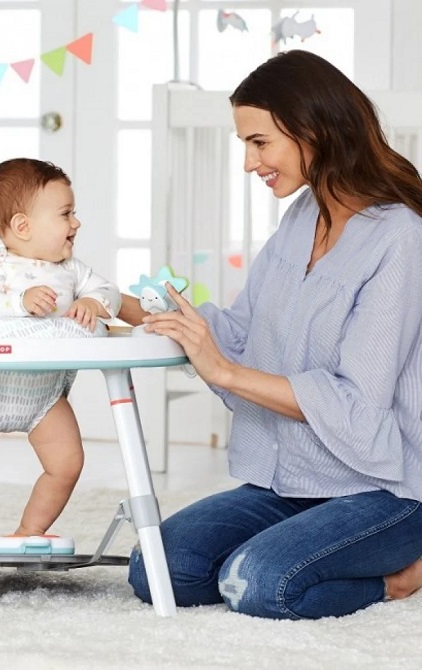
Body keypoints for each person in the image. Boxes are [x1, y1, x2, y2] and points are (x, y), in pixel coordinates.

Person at [119, 50, 422, 620]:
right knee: (157, 568)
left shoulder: (401, 238)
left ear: (313, 130)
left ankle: (399, 579)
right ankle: (295, 548)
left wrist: (225, 372)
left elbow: (356, 404)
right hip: (287, 483)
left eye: (259, 143)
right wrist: (123, 305)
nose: (249, 162)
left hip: (384, 492)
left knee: (256, 584)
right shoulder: (302, 215)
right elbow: (240, 329)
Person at [0, 157, 121, 537]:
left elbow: (109, 292)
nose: (76, 223)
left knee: (68, 462)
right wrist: (19, 302)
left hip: (41, 392)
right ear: (22, 226)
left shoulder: (71, 269)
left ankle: (30, 529)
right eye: (65, 214)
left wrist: (93, 302)